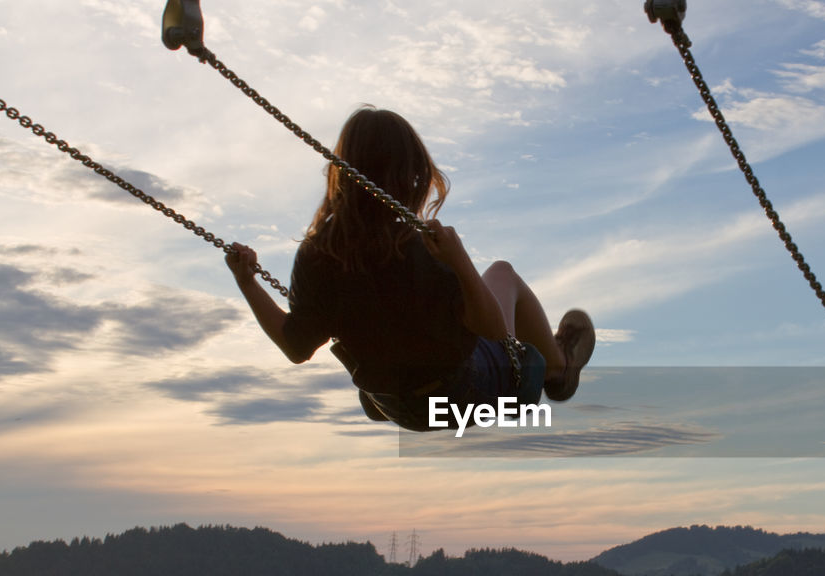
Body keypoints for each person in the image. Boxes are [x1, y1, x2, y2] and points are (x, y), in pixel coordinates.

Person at [225, 107, 594, 430]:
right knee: (502, 274)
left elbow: (296, 347)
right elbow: (494, 331)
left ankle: (551, 364)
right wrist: (460, 262)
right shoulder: (418, 246)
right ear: (412, 173)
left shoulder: (319, 253)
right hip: (465, 395)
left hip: (397, 407)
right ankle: (557, 368)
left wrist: (248, 284)